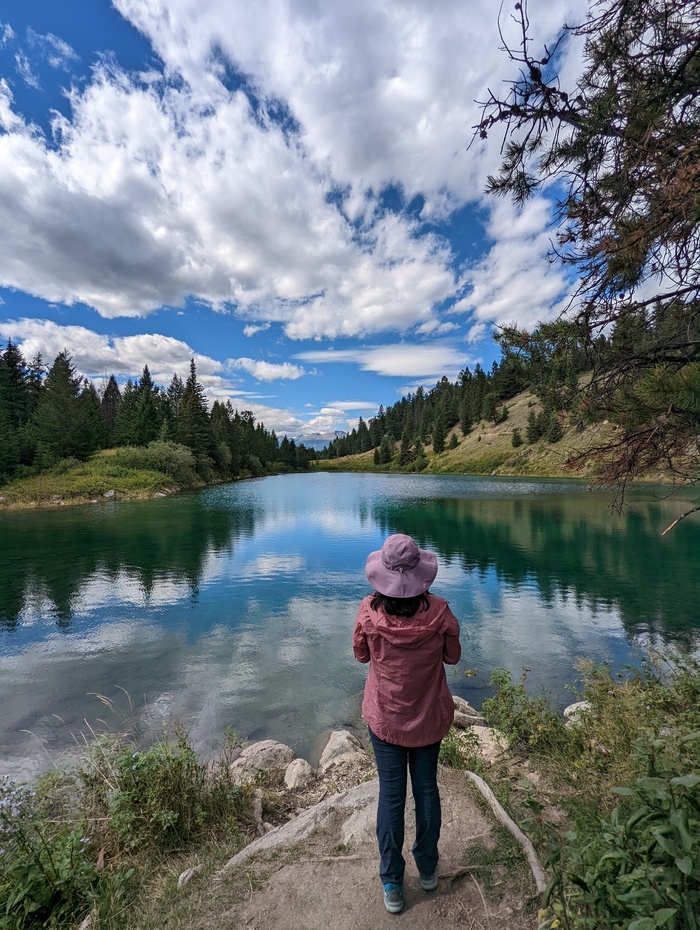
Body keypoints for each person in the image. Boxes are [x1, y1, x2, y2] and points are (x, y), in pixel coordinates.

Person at [352, 533, 461, 915]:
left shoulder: (368, 612)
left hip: (385, 721)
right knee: (427, 792)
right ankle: (428, 870)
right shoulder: (442, 612)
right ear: (421, 575)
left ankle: (393, 883)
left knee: (391, 797)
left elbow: (361, 655)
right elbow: (453, 657)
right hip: (429, 718)